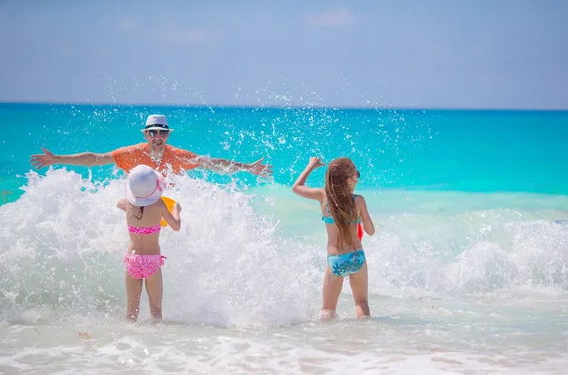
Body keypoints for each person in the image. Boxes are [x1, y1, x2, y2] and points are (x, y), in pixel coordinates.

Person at [30, 114, 273, 177]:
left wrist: (246, 167)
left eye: (162, 132)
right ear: (146, 134)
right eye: (153, 132)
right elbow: (96, 158)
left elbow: (211, 164)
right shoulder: (131, 153)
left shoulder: (179, 155)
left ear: (167, 135)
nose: (157, 135)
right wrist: (57, 158)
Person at [292, 157, 375, 320]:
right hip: (357, 257)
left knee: (328, 310)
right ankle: (365, 339)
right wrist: (360, 221)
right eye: (357, 175)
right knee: (362, 303)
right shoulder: (358, 200)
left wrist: (310, 166)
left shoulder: (323, 196)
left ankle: (327, 343)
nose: (358, 179)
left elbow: (296, 188)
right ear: (349, 179)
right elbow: (371, 231)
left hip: (336, 259)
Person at [117, 164, 181, 323]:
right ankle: (157, 344)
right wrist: (176, 211)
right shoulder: (159, 205)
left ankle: (129, 341)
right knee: (156, 311)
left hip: (132, 260)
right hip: (152, 261)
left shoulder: (127, 204)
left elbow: (119, 203)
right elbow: (176, 226)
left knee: (131, 312)